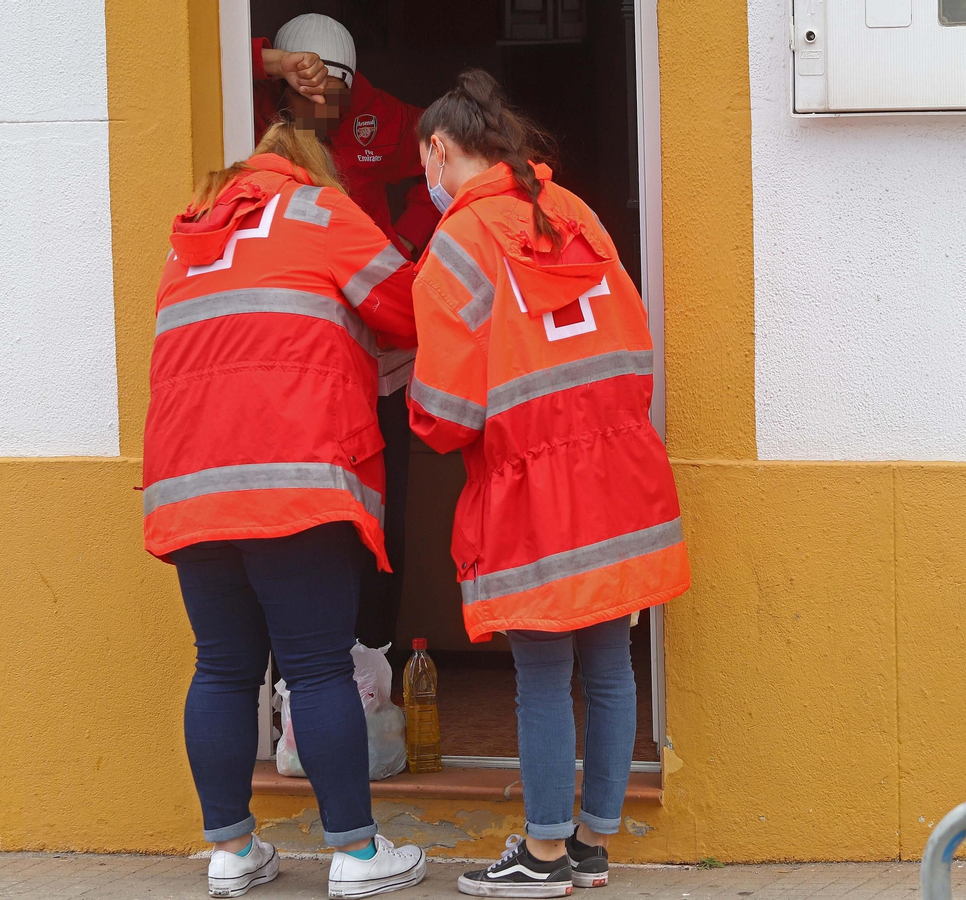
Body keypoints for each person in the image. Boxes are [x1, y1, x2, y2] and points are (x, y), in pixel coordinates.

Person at [406, 70, 691, 898]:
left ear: (439, 149)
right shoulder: (576, 213)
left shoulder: (456, 245)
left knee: (540, 674)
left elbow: (445, 414)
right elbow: (633, 344)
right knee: (609, 663)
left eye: (425, 163)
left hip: (532, 489)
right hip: (620, 471)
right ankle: (592, 846)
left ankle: (541, 854)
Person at [142, 120, 427, 900]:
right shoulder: (318, 211)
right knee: (318, 666)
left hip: (192, 484)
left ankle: (232, 852)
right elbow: (408, 308)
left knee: (222, 667)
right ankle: (357, 854)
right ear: (311, 168)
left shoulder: (188, 242)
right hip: (293, 477)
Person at [252, 13, 434, 666]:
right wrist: (275, 61)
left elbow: (451, 154)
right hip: (302, 351)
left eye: (338, 95)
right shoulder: (249, 109)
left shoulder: (380, 114)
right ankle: (307, 666)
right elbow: (217, 62)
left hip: (379, 340)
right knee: (311, 508)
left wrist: (403, 241)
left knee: (383, 511)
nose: (327, 110)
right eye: (311, 95)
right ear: (281, 92)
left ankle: (374, 656)